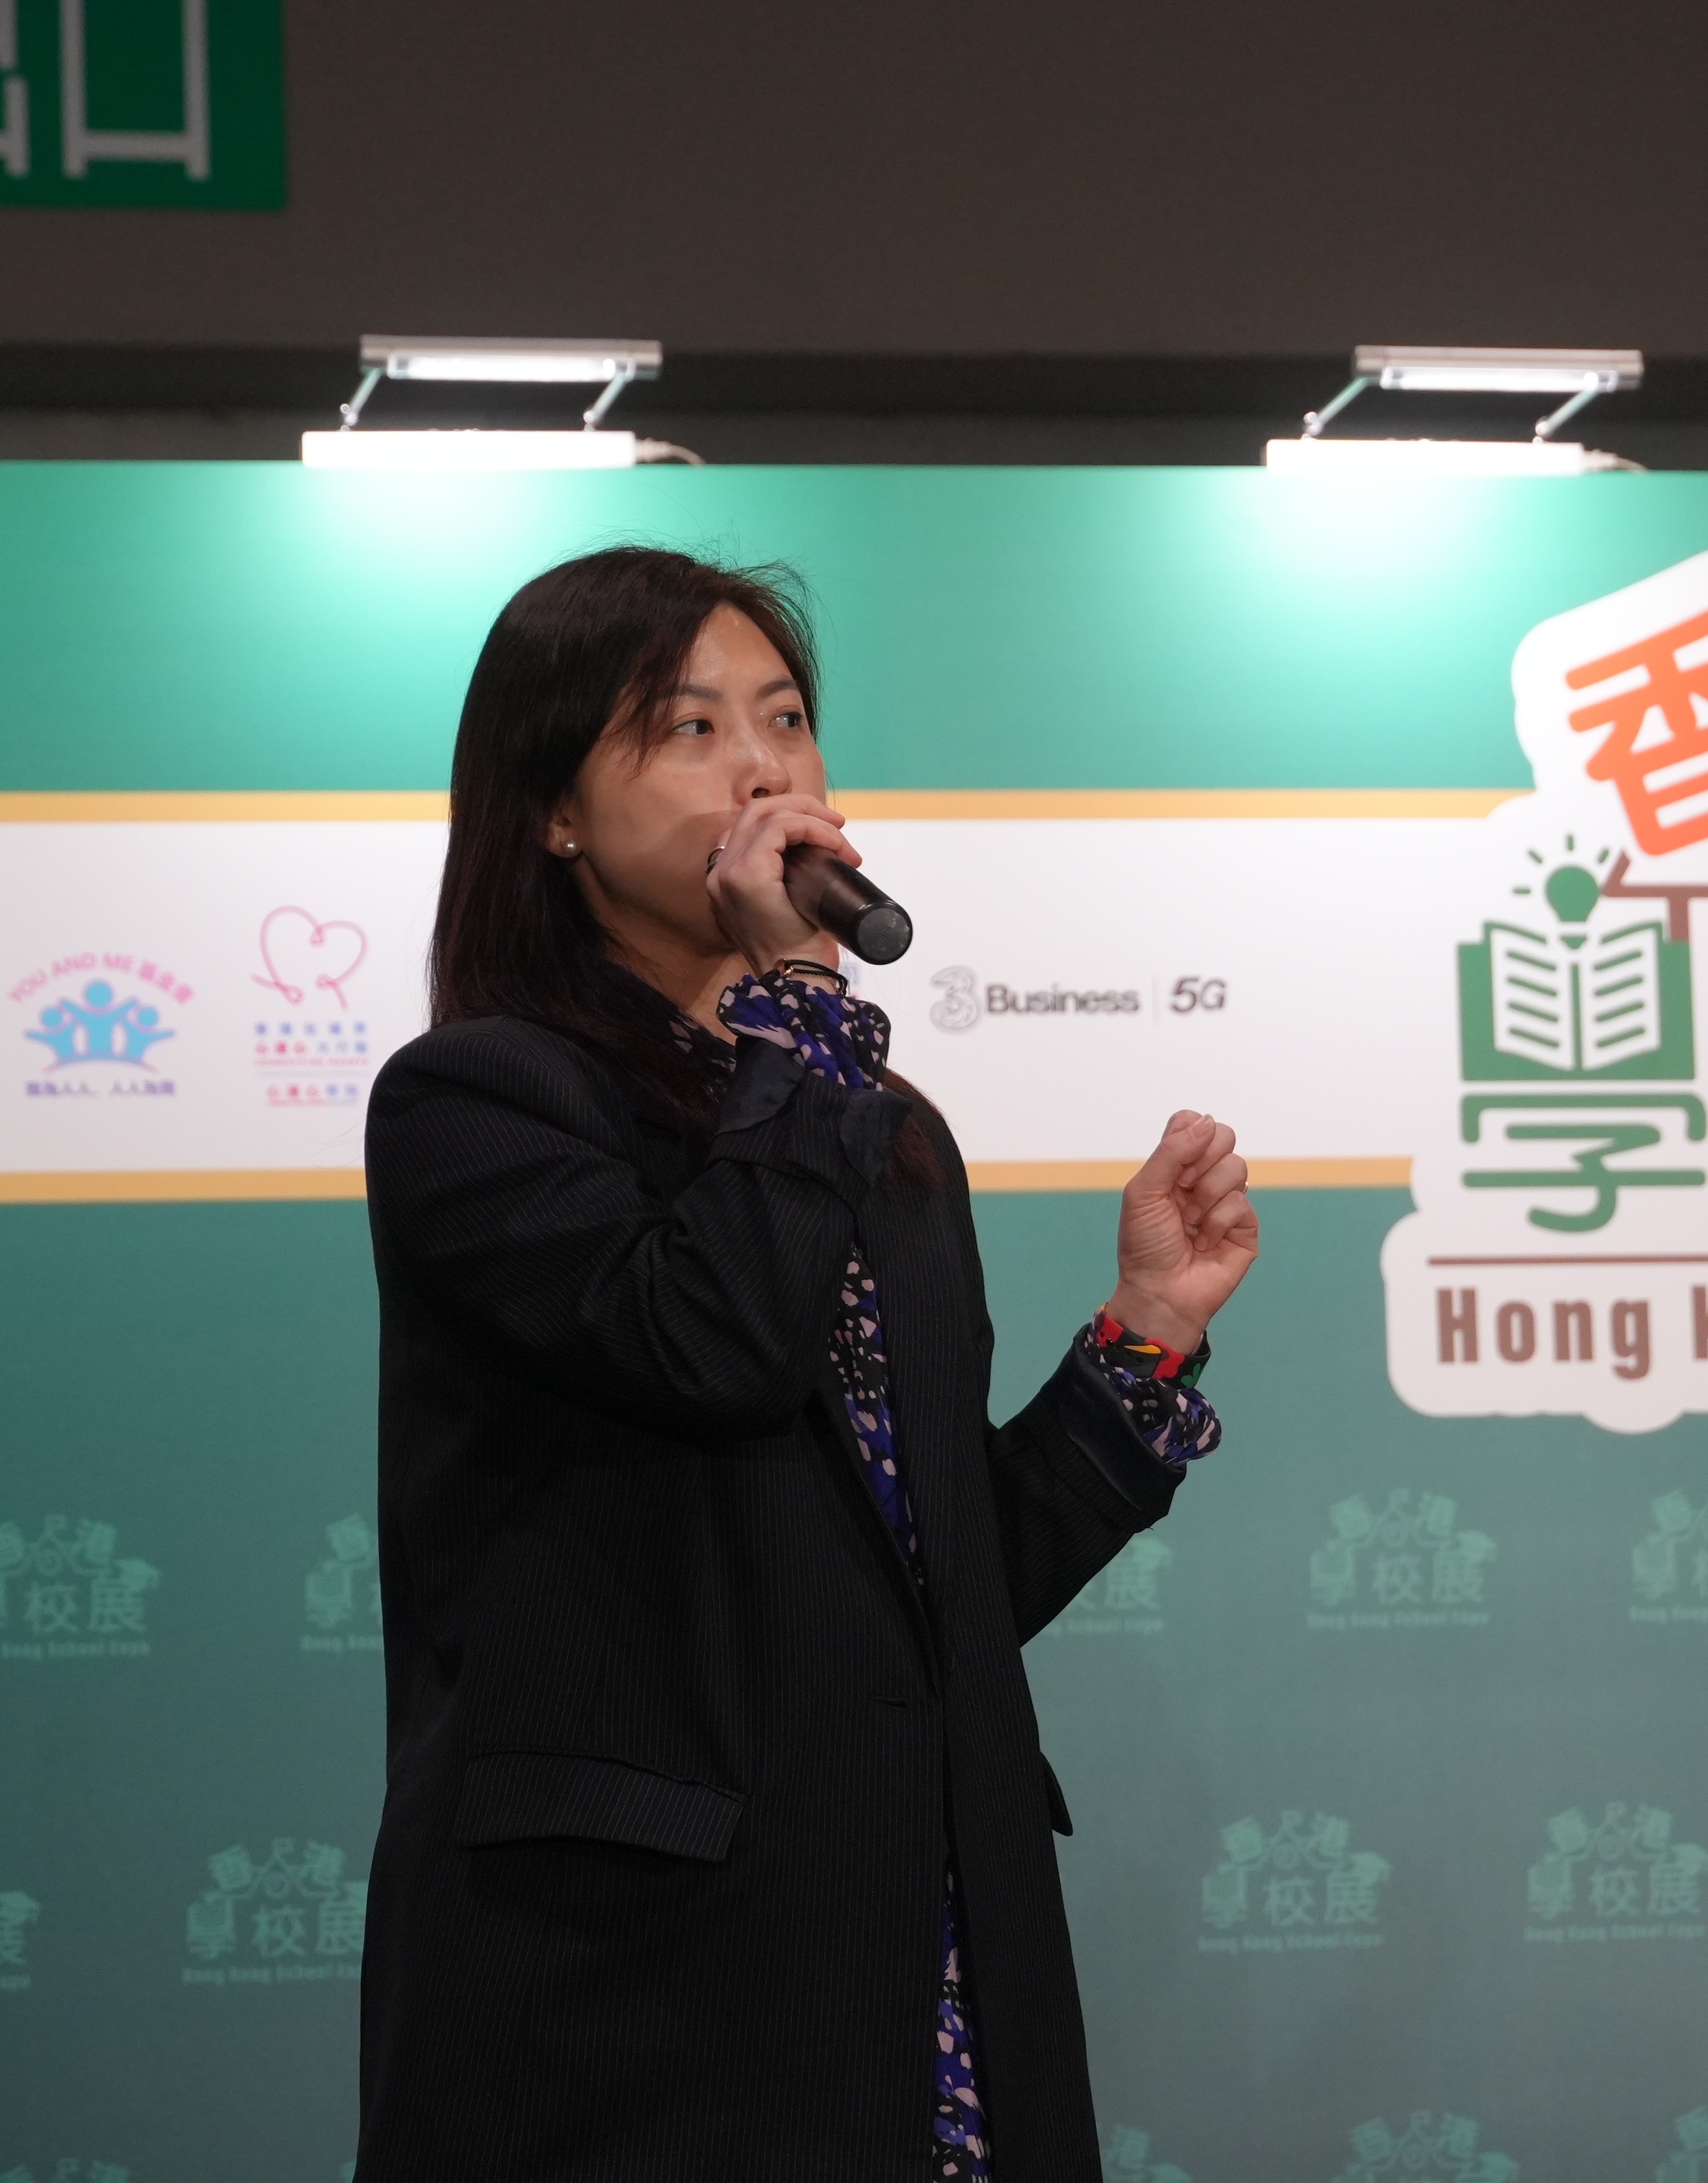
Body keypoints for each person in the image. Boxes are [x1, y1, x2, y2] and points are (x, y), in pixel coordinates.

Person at [354, 547, 1257, 2183]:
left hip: (922, 1930)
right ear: (554, 814)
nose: (765, 768)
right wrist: (801, 1005)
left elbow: (933, 1582)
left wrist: (1145, 1336)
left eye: (784, 718)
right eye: (691, 727)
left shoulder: (879, 1129)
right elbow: (704, 1339)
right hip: (631, 1981)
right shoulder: (477, 1100)